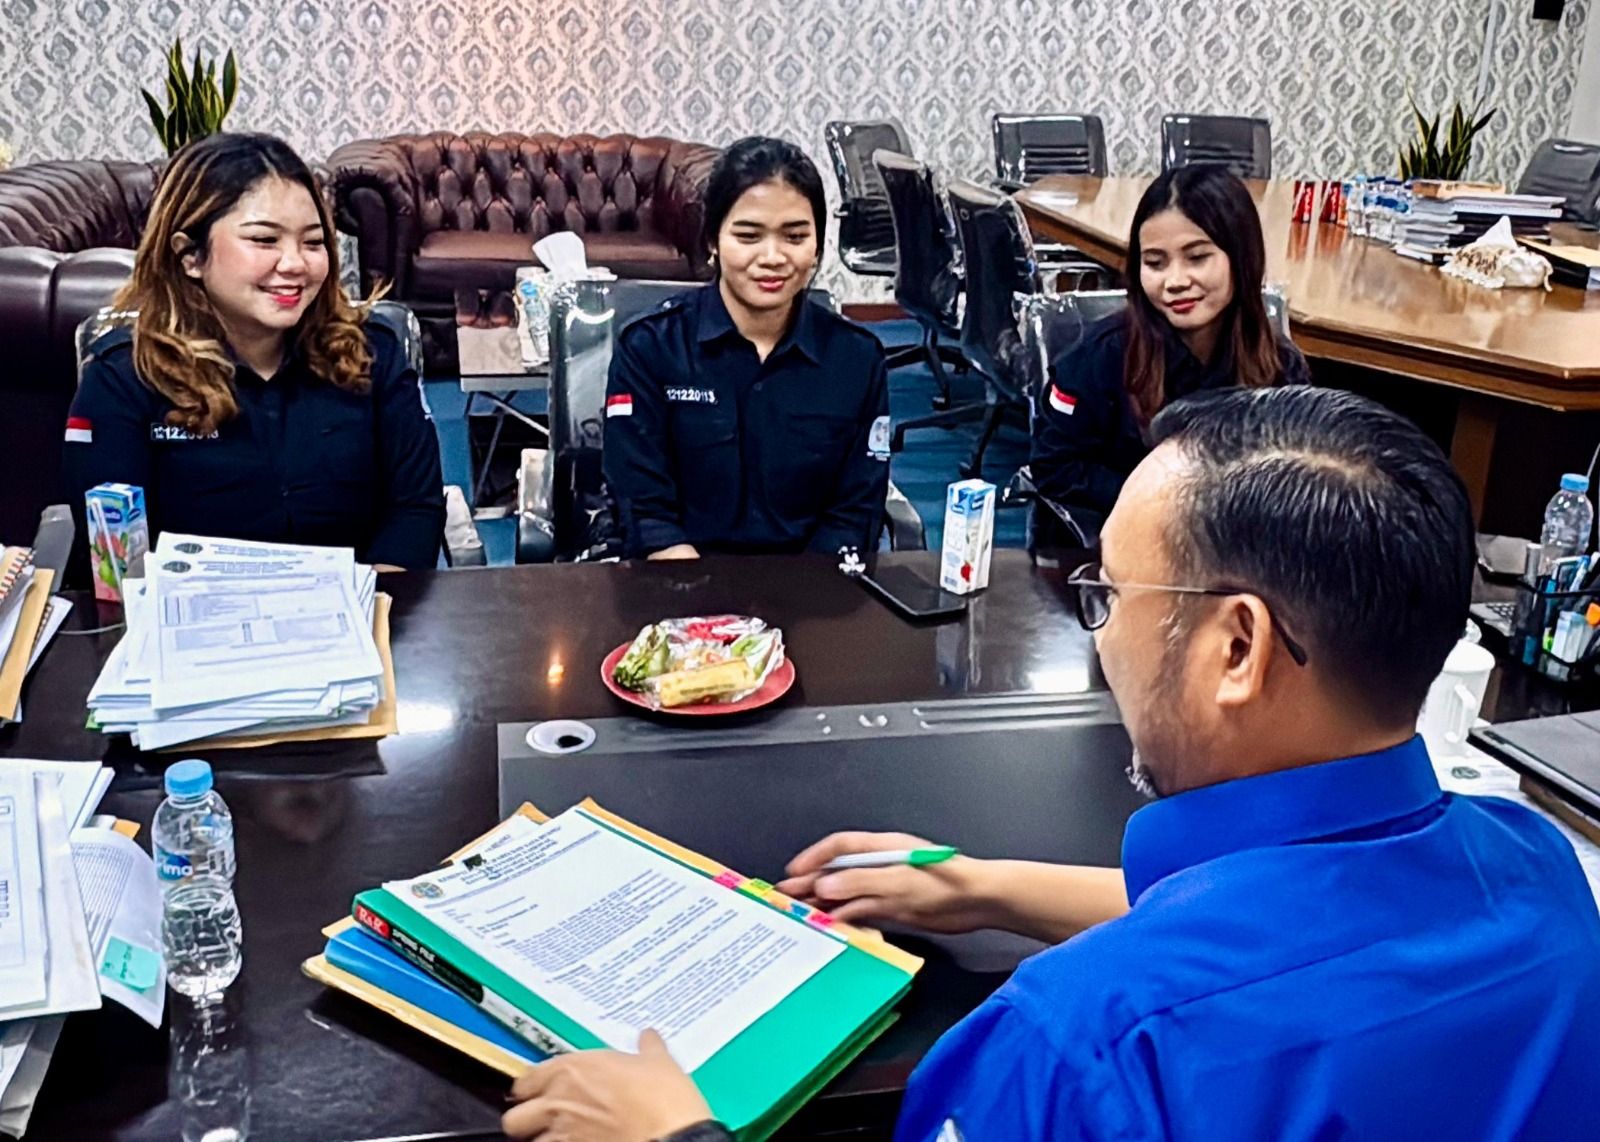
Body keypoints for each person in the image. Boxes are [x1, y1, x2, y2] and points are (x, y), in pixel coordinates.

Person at [500, 386, 1600, 1142]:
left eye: (1113, 596)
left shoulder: (1075, 1048)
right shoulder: (1537, 868)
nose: (1100, 633)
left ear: (1235, 645)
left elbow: (1222, 969)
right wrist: (982, 885)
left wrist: (670, 1128)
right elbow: (1298, 924)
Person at [63, 132, 445, 571]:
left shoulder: (372, 353)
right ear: (190, 256)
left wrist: (371, 609)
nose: (296, 264)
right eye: (265, 240)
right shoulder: (124, 377)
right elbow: (117, 559)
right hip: (192, 622)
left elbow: (415, 510)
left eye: (313, 242)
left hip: (355, 619)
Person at [602, 136, 890, 560]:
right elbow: (646, 512)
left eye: (794, 236)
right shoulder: (650, 349)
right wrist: (706, 616)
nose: (772, 257)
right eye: (748, 235)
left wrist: (795, 613)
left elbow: (854, 513)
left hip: (811, 592)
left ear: (816, 246)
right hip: (680, 585)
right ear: (714, 241)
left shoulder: (857, 359)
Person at [1030, 163, 1310, 535]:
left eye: (1197, 258)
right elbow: (1056, 468)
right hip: (1130, 538)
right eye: (1155, 263)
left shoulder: (1281, 366)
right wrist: (1172, 506)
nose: (1175, 282)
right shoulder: (1099, 356)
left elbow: (1292, 476)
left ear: (1242, 258)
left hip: (1239, 548)